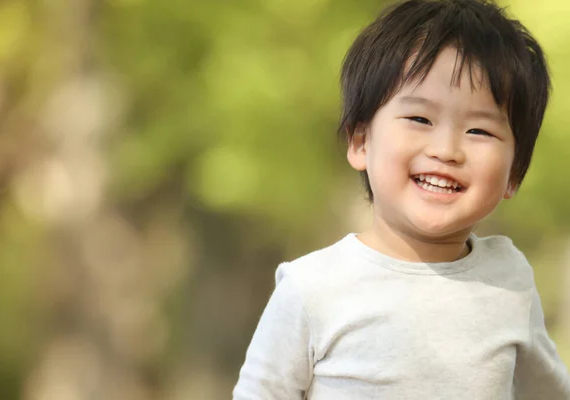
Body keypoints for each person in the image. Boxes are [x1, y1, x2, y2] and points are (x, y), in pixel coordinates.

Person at [233, 0, 570, 398]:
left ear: (514, 173)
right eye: (420, 119)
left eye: (479, 130)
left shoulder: (509, 280)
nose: (447, 150)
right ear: (361, 142)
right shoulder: (311, 288)